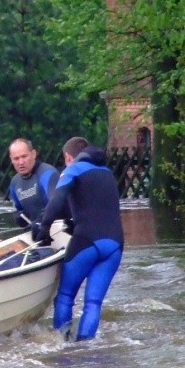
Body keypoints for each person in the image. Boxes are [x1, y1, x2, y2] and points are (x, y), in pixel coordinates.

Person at [33, 137, 124, 341]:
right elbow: (97, 207)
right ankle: (84, 347)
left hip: (87, 241)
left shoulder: (73, 169)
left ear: (68, 156)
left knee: (65, 297)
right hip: (115, 245)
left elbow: (57, 199)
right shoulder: (107, 173)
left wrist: (45, 227)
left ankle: (62, 342)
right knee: (93, 302)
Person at [8, 138, 60, 227]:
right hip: (35, 231)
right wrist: (18, 217)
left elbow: (56, 203)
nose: (21, 162)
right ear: (11, 160)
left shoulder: (47, 173)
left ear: (33, 154)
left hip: (58, 228)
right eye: (16, 158)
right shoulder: (14, 183)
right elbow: (18, 209)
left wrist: (41, 222)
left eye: (24, 156)